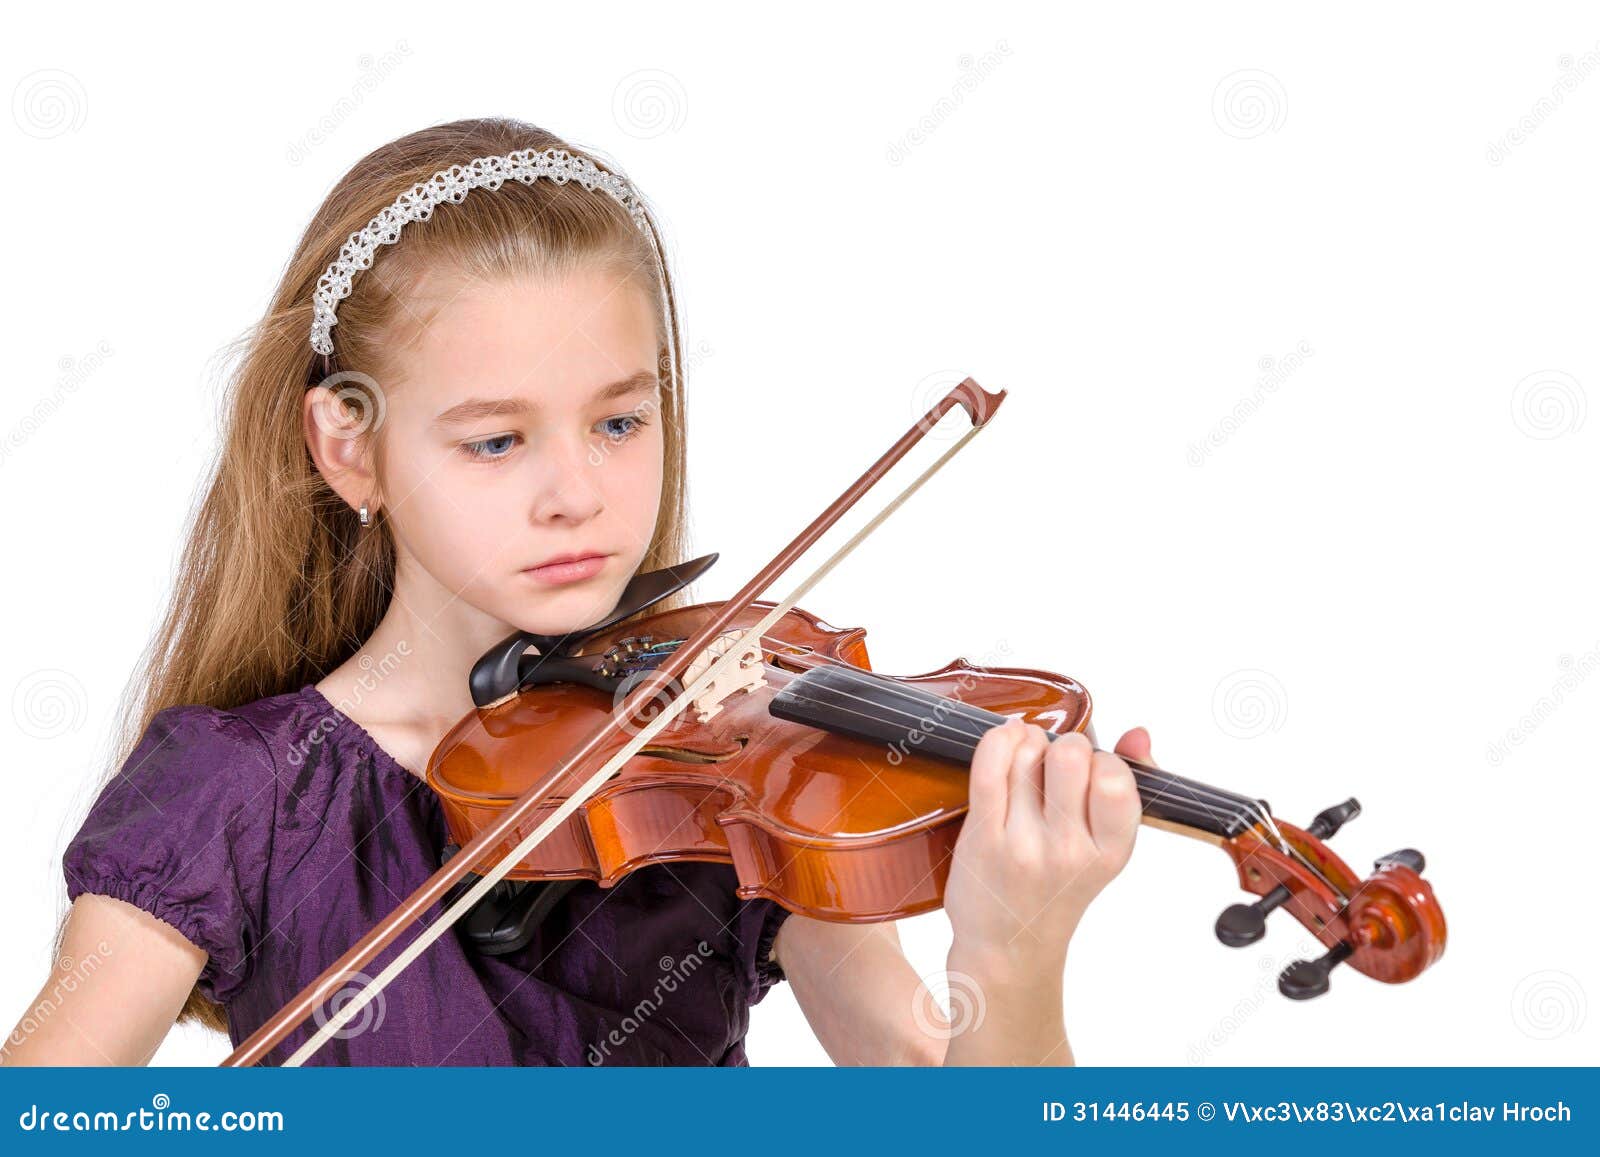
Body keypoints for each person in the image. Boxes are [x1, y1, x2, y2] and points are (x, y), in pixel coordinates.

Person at [1, 117, 1151, 1067]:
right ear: (349, 446)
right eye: (497, 441)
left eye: (618, 420)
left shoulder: (737, 774)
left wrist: (1010, 952)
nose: (578, 493)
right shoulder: (237, 791)